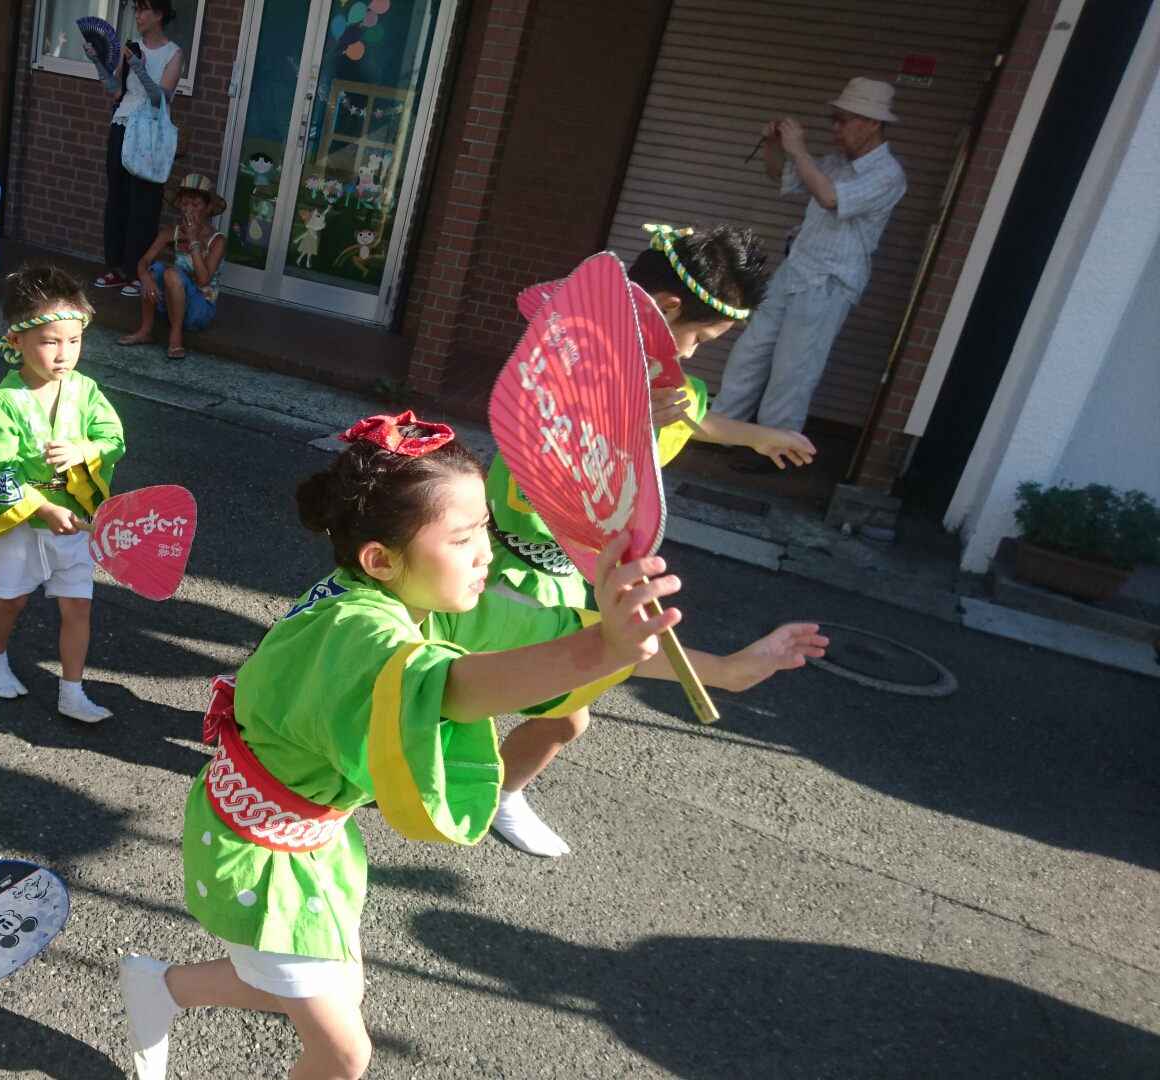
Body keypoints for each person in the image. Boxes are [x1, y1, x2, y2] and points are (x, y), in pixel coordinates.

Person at [119, 414, 823, 1080]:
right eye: (462, 539)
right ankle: (162, 989)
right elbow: (449, 690)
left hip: (308, 838)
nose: (487, 552)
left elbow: (551, 638)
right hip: (259, 847)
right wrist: (605, 644)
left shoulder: (417, 594)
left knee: (323, 989)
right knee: (344, 1055)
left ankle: (160, 987)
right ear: (381, 558)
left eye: (486, 527)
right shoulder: (355, 632)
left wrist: (726, 669)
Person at [485, 223, 820, 856]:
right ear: (666, 310)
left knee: (542, 696)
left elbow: (695, 414)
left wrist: (753, 435)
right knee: (562, 703)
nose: (693, 354)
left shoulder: (661, 377)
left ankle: (482, 781)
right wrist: (628, 424)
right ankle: (482, 786)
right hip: (506, 561)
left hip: (564, 568)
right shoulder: (567, 364)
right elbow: (547, 476)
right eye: (698, 337)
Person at [715, 77, 907, 474]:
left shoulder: (888, 174)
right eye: (834, 119)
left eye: (844, 119)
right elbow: (780, 178)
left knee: (794, 369)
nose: (835, 128)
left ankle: (774, 449)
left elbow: (830, 197)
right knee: (750, 352)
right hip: (795, 269)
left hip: (830, 281)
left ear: (872, 123)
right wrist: (774, 145)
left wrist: (798, 148)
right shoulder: (837, 163)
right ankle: (720, 430)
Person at [0, 266, 124, 723]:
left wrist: (85, 448)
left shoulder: (84, 391)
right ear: (16, 341)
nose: (63, 354)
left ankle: (71, 691)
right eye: (49, 342)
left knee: (78, 607)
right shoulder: (7, 401)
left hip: (74, 521)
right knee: (11, 599)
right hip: (23, 523)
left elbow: (114, 437)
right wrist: (41, 505)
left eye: (73, 341)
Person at [86, 0, 181, 297]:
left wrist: (139, 66)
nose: (137, 15)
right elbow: (116, 90)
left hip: (149, 135)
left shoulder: (173, 53)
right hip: (121, 127)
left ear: (160, 13)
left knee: (145, 204)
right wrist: (99, 63)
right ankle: (115, 267)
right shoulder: (129, 47)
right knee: (118, 198)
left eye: (143, 9)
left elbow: (161, 99)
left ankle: (140, 271)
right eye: (135, 9)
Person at [119, 172, 224, 360]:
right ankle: (146, 330)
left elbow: (203, 280)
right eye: (185, 204)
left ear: (208, 207)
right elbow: (143, 261)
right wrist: (146, 279)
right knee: (155, 270)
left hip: (198, 311)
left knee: (171, 273)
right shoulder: (172, 233)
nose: (189, 209)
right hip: (170, 308)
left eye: (196, 204)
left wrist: (193, 241)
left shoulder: (217, 241)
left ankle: (175, 339)